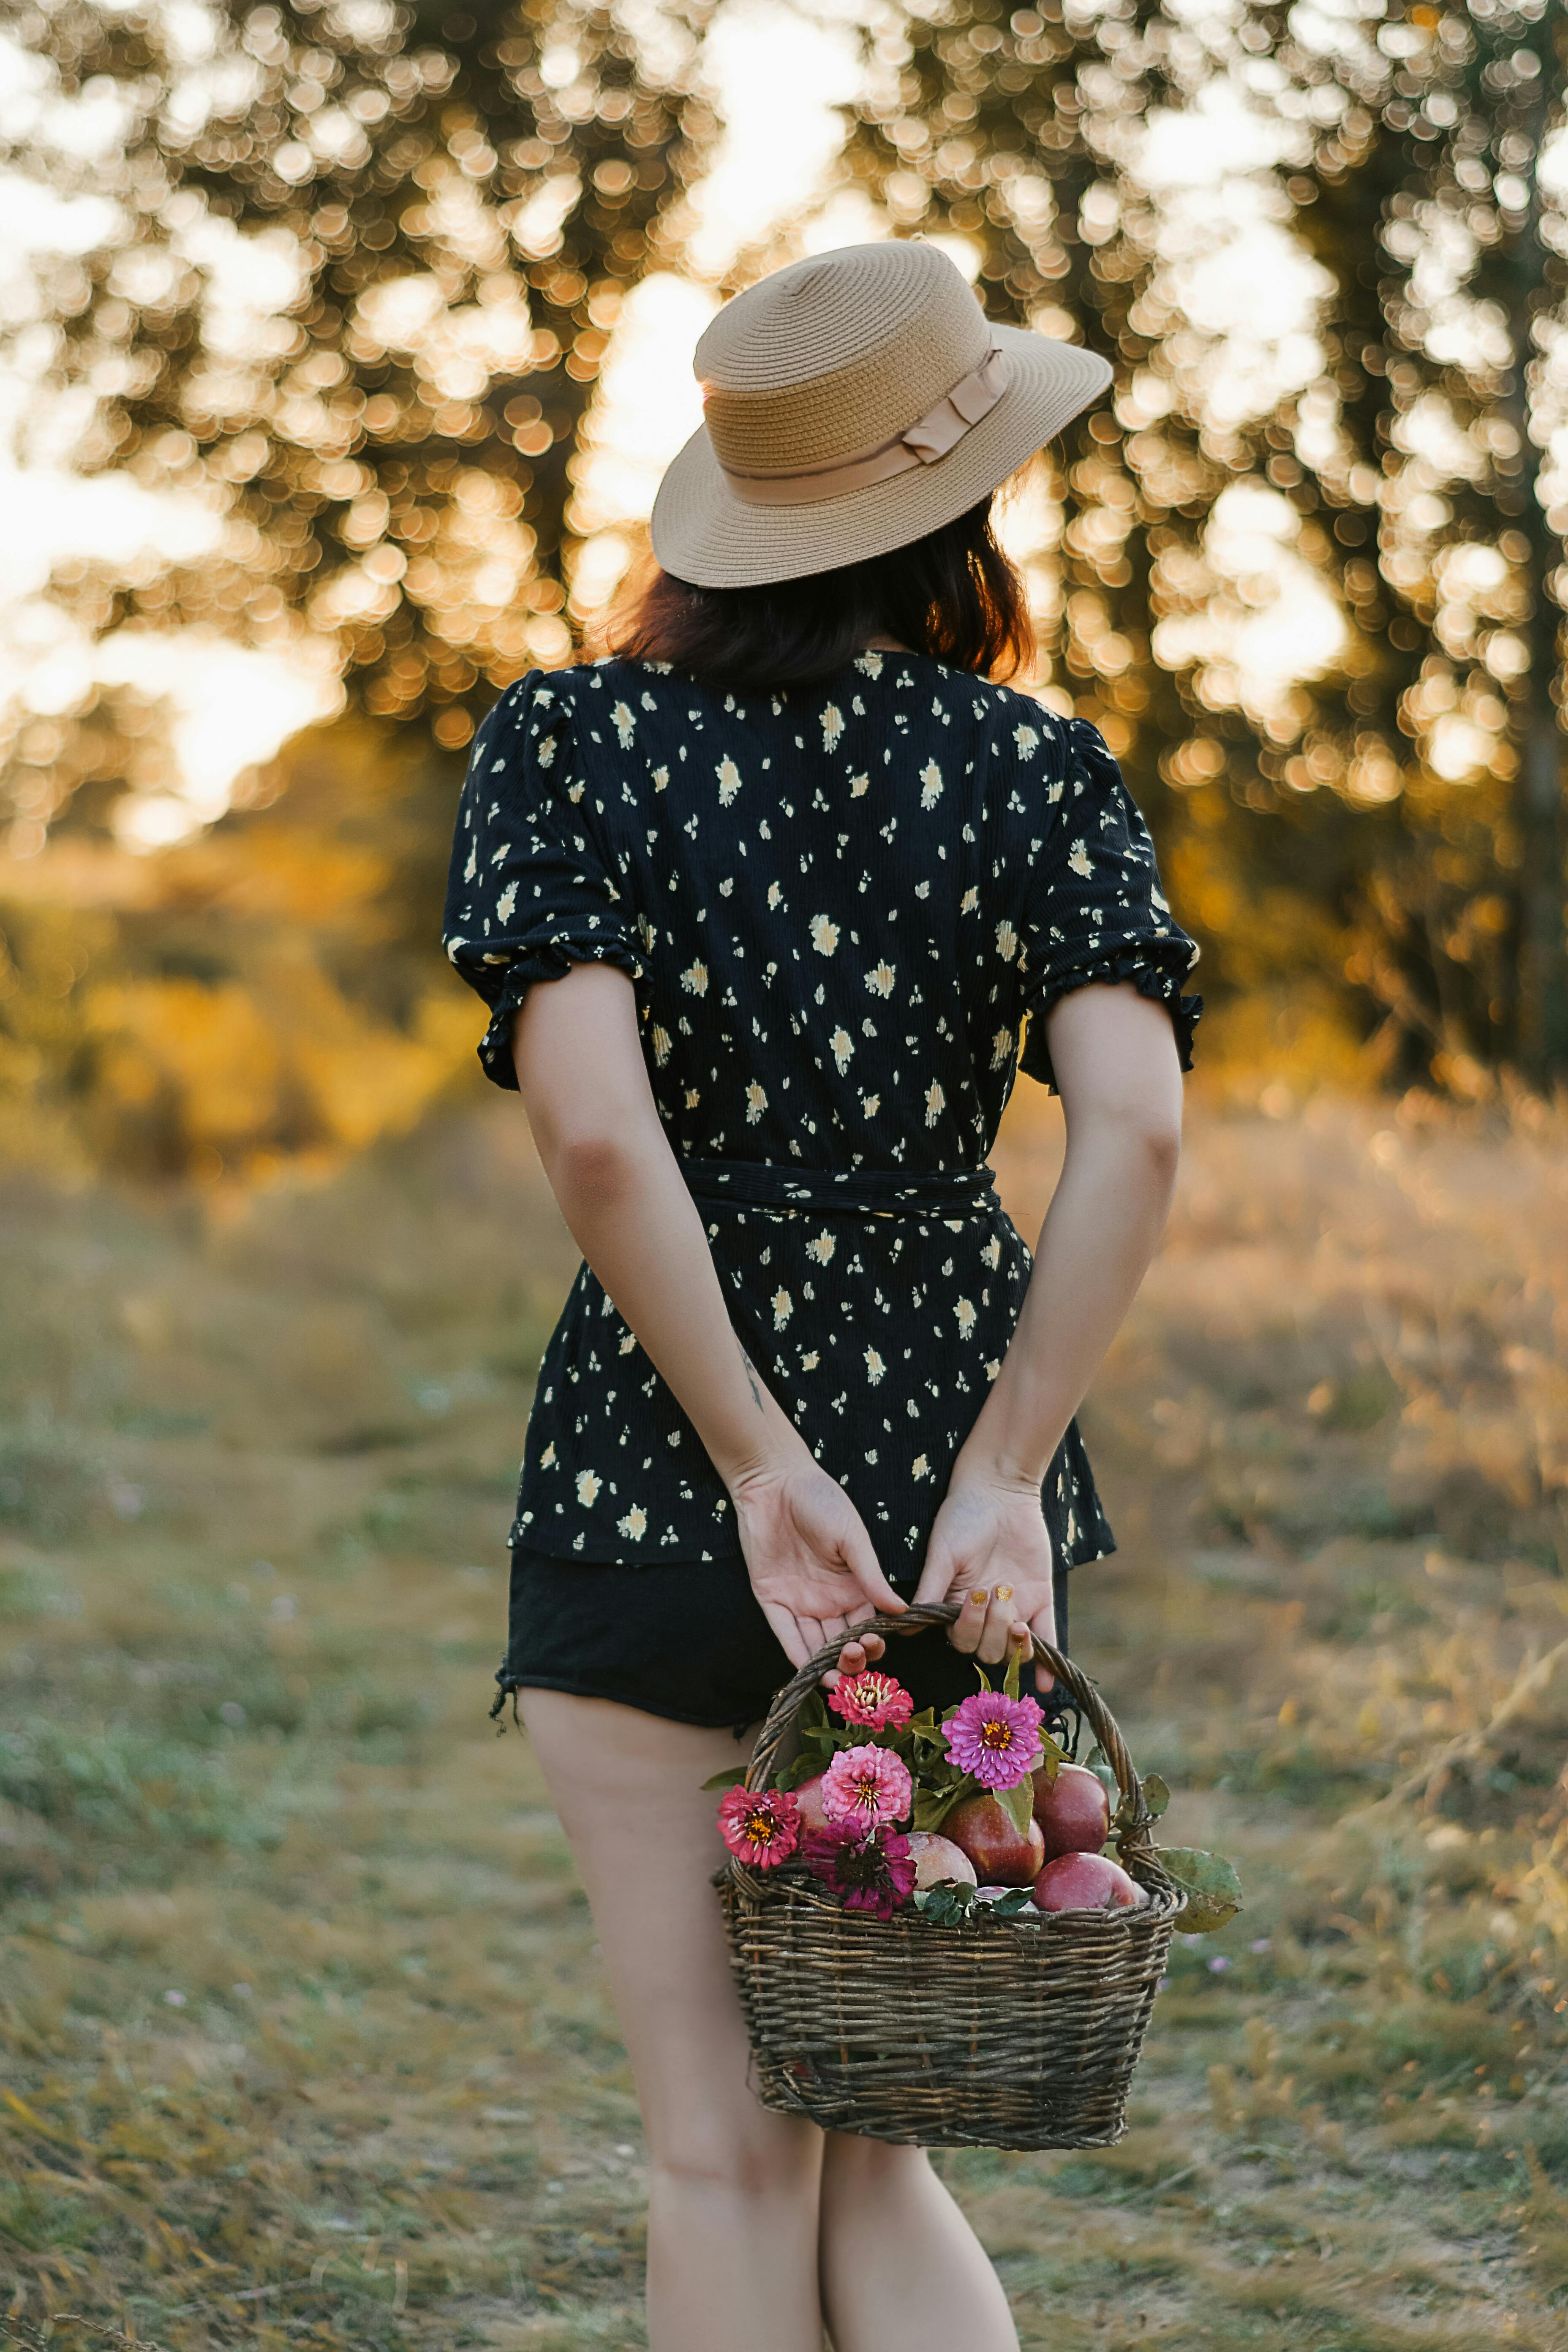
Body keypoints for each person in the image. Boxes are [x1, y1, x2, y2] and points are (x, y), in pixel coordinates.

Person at [443, 240, 1199, 2352]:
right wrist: (1003, 1473)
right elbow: (1129, 1135)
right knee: (880, 2133)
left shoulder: (569, 742)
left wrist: (757, 1463)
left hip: (661, 1468)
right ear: (959, 500)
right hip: (962, 1474)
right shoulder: (1040, 771)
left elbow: (600, 1140)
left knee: (723, 2150)